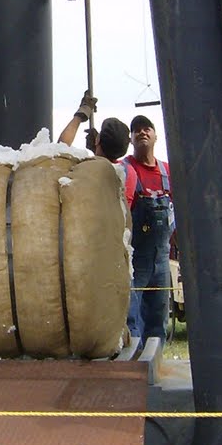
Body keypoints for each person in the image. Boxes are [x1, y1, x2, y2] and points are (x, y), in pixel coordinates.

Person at [122, 115, 172, 344]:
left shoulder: (167, 172)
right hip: (135, 258)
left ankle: (157, 366)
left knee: (158, 318)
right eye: (136, 131)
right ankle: (135, 370)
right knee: (131, 317)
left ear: (155, 136)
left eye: (146, 129)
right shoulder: (125, 169)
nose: (142, 132)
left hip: (162, 259)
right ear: (131, 139)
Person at [55, 92, 129, 162]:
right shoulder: (125, 171)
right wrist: (96, 150)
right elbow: (107, 163)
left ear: (97, 139)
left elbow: (60, 150)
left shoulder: (84, 168)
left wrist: (81, 114)